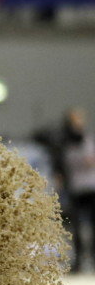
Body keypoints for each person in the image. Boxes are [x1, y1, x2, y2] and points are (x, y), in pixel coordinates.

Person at [62, 107, 95, 273]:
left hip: (91, 187)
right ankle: (79, 262)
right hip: (76, 188)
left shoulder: (88, 140)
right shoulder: (66, 142)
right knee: (76, 227)